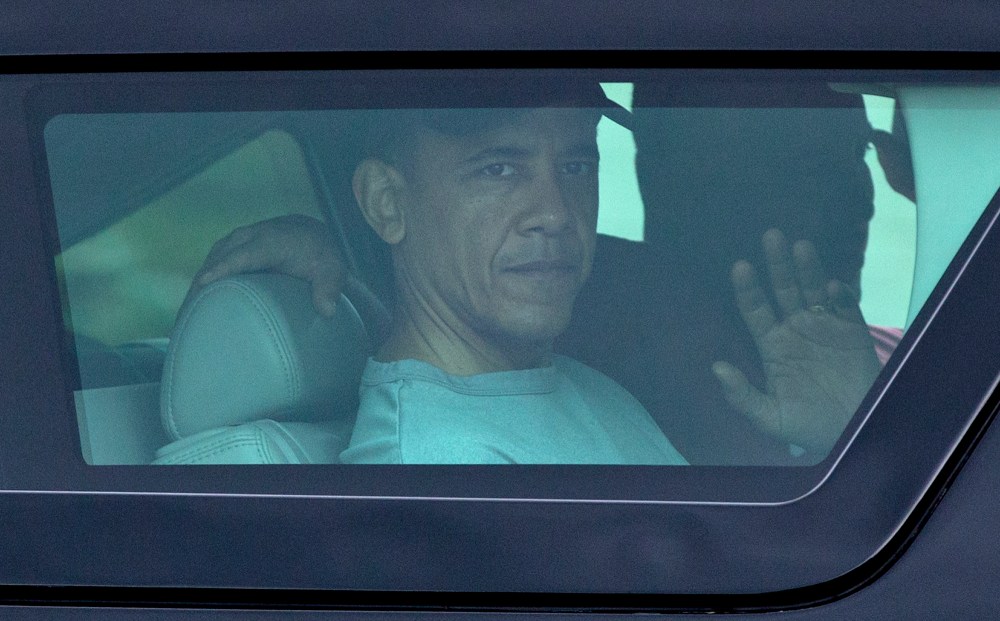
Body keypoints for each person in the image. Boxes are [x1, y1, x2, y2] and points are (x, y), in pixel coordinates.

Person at [190, 78, 885, 465]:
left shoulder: (565, 380)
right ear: (385, 202)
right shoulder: (435, 472)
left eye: (577, 164)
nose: (555, 211)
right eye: (498, 168)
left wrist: (848, 433)